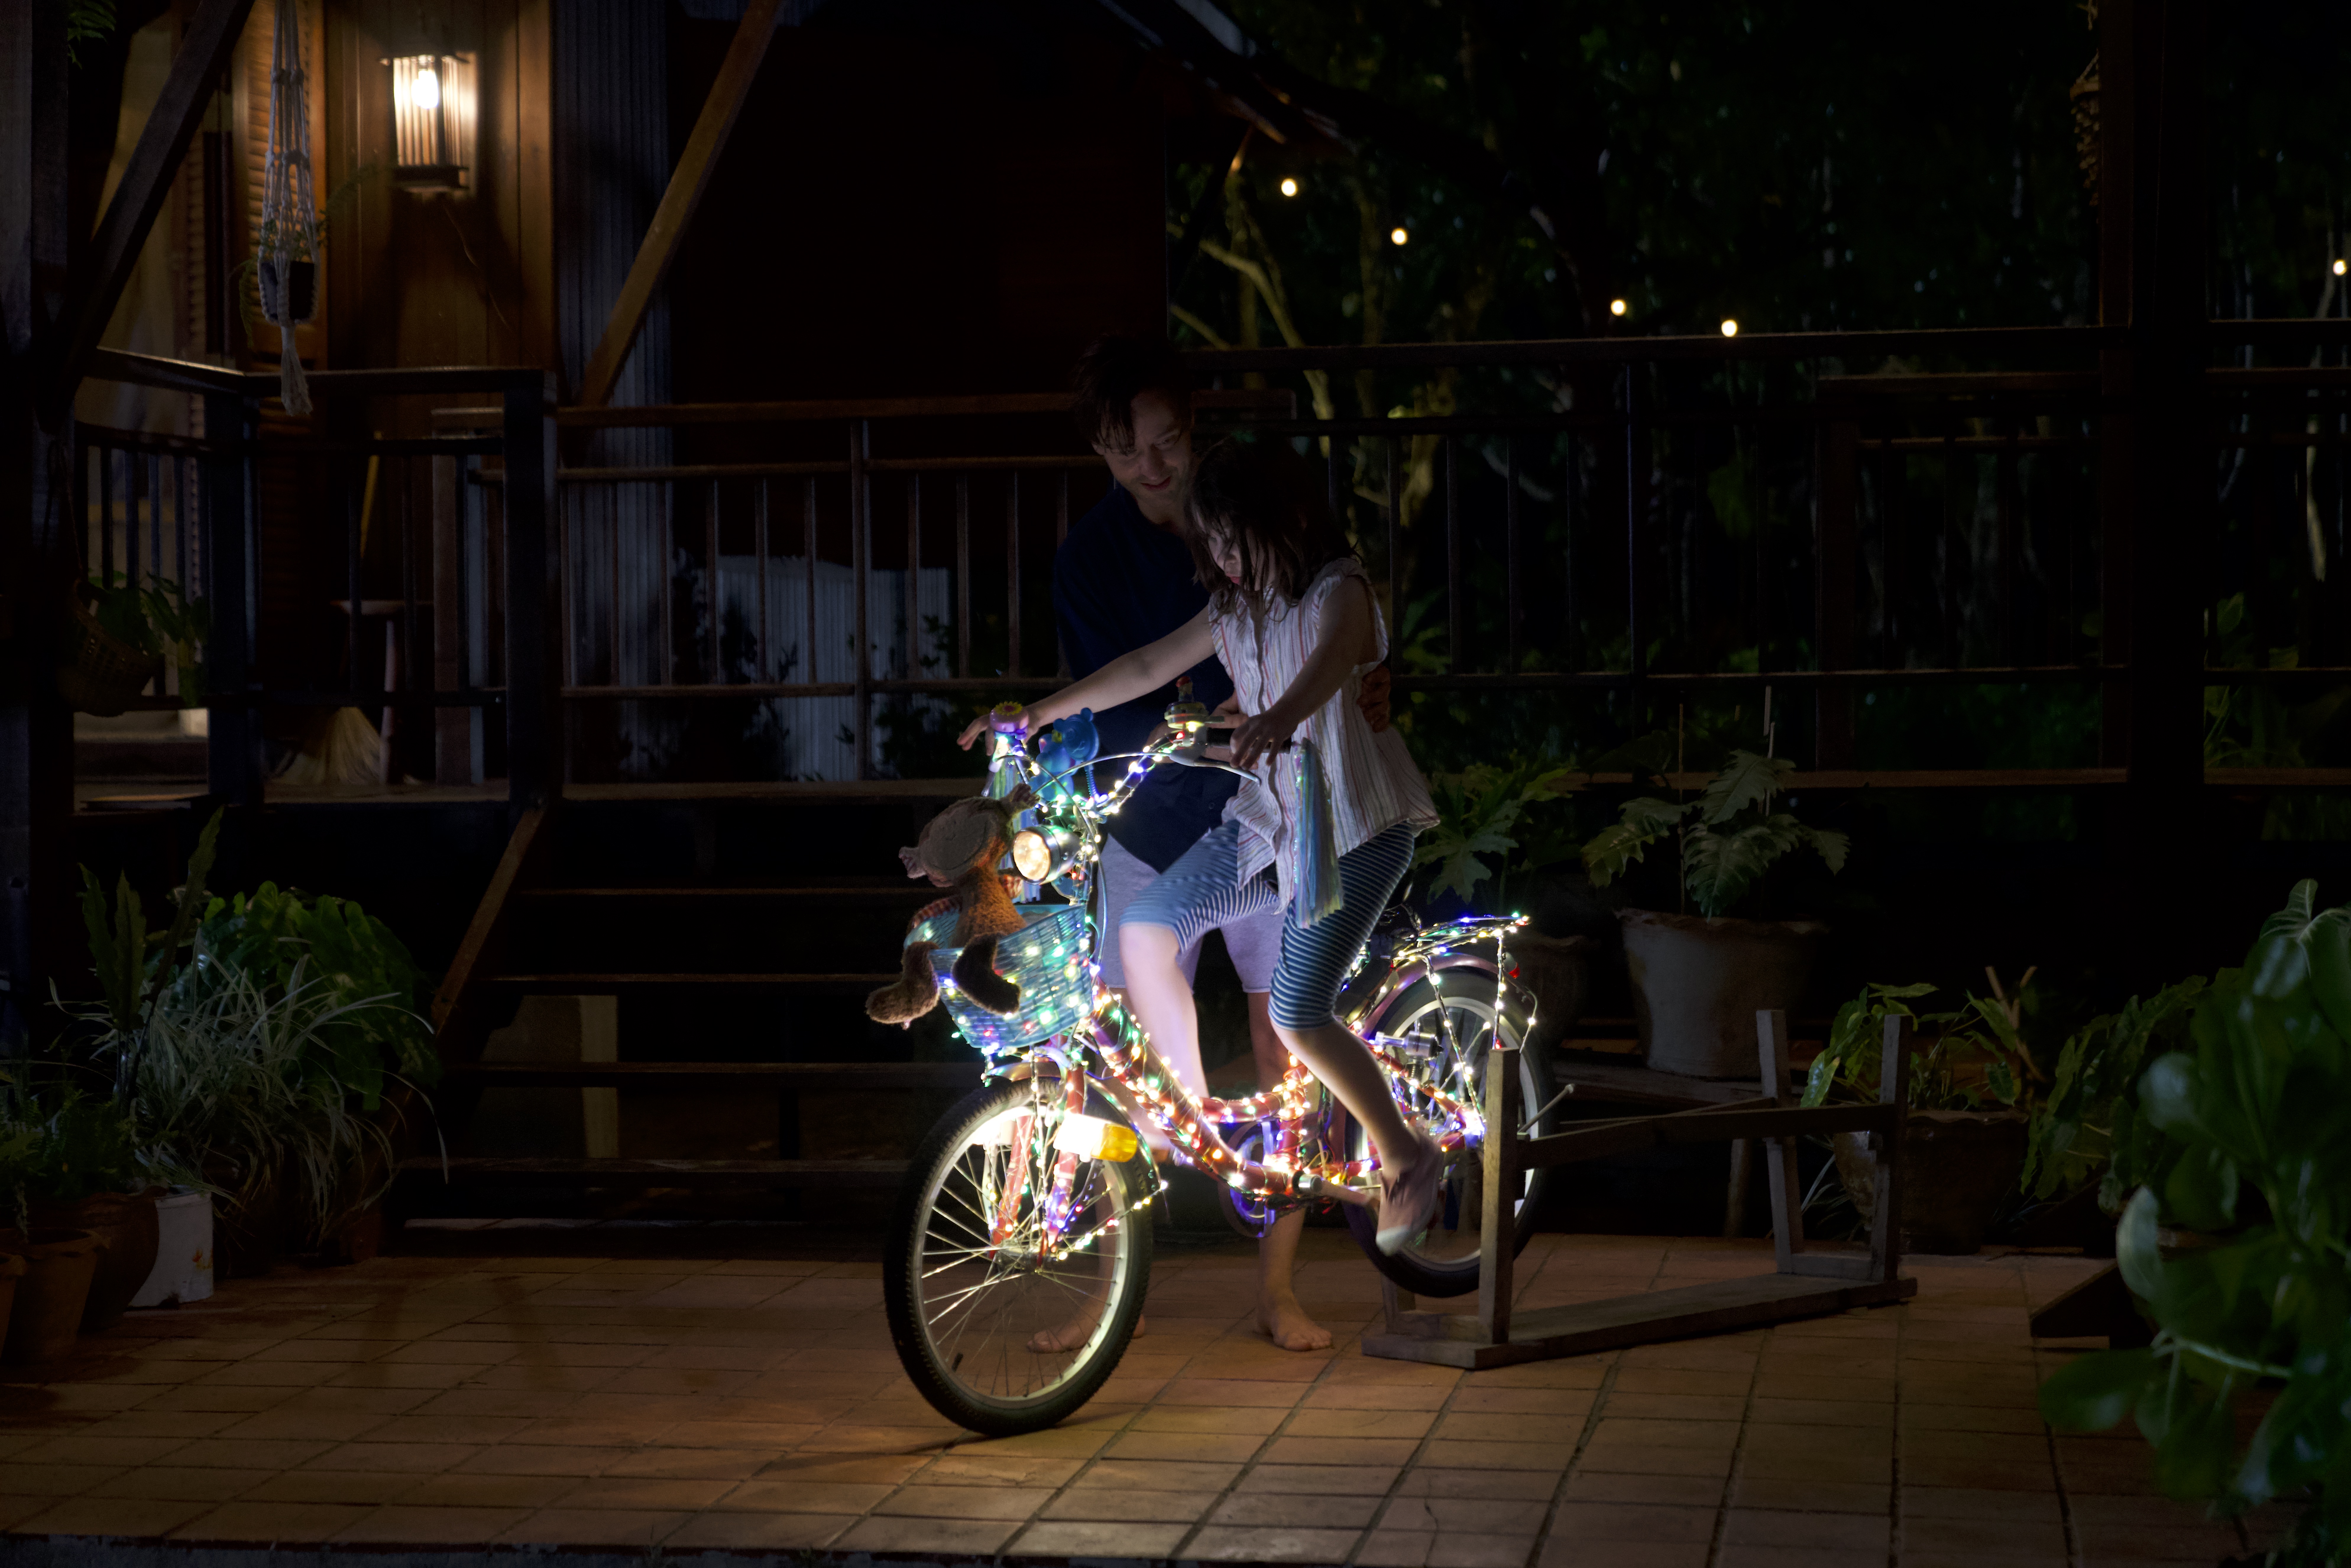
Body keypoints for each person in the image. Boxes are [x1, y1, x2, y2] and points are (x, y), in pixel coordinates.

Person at [963, 439, 1445, 1261]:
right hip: (1266, 825)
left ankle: (1405, 1152)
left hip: (1358, 827)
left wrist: (1282, 713)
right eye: (1213, 544)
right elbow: (1148, 664)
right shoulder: (1234, 607)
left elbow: (1334, 658)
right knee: (1146, 927)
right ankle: (1182, 1120)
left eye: (1235, 540)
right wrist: (1037, 714)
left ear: (1286, 521)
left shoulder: (1342, 587)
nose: (1224, 559)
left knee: (1295, 1012)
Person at [1040, 336, 1361, 1351]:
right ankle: (1106, 1293)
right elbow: (1126, 683)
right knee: (1114, 1056)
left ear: (1194, 429)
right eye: (1126, 449)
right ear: (1100, 449)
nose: (1152, 467)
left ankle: (1280, 1288)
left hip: (1265, 809)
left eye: (1168, 440)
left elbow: (1337, 628)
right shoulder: (1089, 557)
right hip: (1152, 819)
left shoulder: (1256, 516)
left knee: (1285, 1036)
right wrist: (1048, 722)